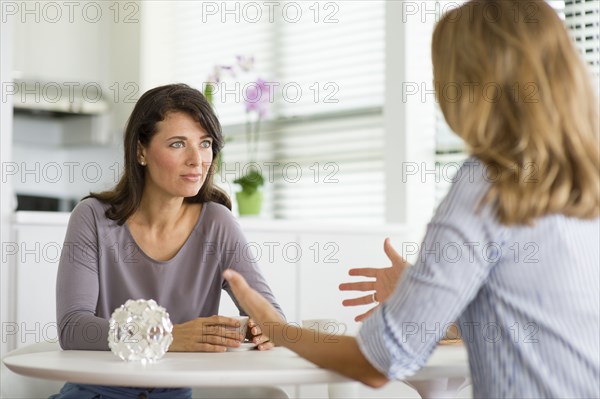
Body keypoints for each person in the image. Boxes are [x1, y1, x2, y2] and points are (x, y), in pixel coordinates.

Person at [222, 1, 600, 397]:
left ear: (473, 83)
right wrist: (426, 294)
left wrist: (277, 327)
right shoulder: (581, 179)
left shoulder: (486, 184)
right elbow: (533, 322)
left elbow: (373, 364)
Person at [52, 83, 284, 399]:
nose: (197, 159)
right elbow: (73, 329)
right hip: (93, 393)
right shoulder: (92, 217)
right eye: (177, 144)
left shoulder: (217, 223)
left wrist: (262, 329)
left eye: (205, 143)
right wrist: (167, 336)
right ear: (140, 151)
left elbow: (274, 320)